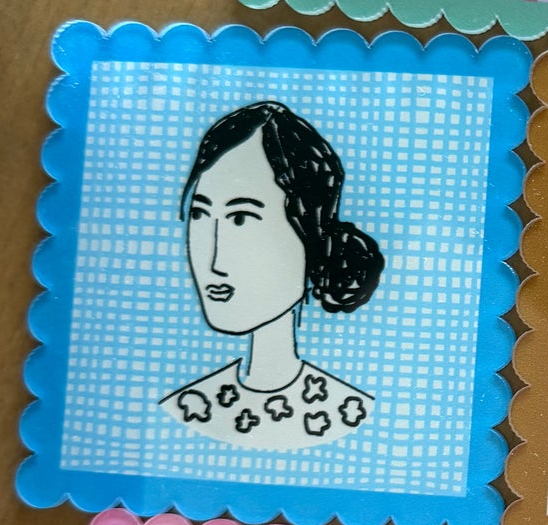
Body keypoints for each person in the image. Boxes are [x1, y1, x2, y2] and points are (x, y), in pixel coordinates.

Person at [161, 101, 382, 449]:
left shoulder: (349, 412)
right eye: (200, 215)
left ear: (309, 231)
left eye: (240, 219)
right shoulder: (188, 407)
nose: (213, 260)